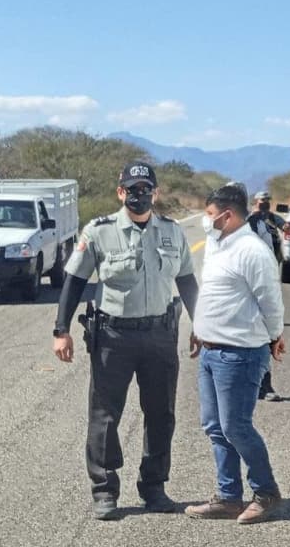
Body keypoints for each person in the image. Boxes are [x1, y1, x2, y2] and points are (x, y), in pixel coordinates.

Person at [51, 161, 199, 520]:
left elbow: (187, 282)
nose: (139, 195)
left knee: (161, 414)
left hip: (160, 336)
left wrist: (202, 324)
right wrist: (61, 329)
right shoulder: (99, 231)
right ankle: (104, 489)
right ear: (121, 192)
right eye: (132, 189)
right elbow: (74, 281)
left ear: (156, 192)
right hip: (113, 337)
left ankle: (154, 486)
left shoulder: (171, 232)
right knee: (104, 415)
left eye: (145, 188)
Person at [186, 185, 286, 524]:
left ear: (228, 216)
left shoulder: (252, 251)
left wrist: (275, 336)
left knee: (236, 427)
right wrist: (199, 329)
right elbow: (213, 294)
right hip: (211, 351)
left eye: (210, 214)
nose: (206, 220)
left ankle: (266, 492)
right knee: (215, 426)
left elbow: (270, 301)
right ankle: (229, 496)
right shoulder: (218, 245)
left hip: (240, 354)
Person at [248, 191, 285, 402]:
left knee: (265, 333)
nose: (264, 205)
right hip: (254, 283)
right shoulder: (250, 223)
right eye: (262, 202)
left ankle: (263, 384)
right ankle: (259, 384)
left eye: (267, 202)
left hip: (268, 279)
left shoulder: (268, 220)